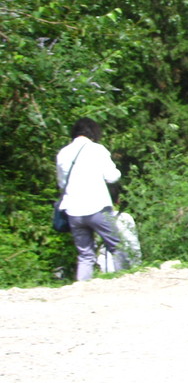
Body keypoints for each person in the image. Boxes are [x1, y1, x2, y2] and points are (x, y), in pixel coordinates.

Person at [56, 118, 128, 282]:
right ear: (94, 132)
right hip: (98, 207)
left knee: (85, 254)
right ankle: (125, 280)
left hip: (73, 211)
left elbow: (61, 183)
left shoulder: (63, 153)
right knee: (117, 246)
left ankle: (82, 287)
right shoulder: (97, 150)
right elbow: (112, 177)